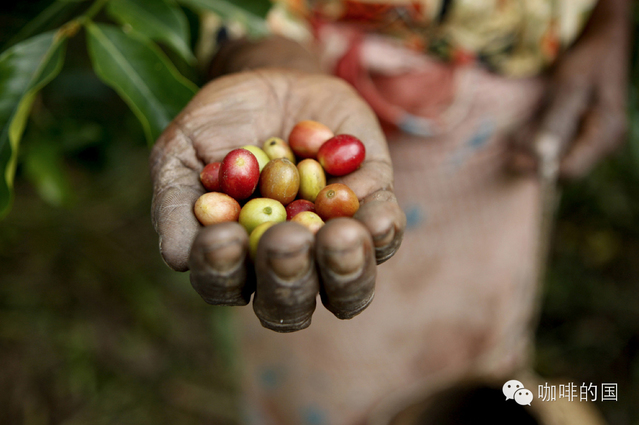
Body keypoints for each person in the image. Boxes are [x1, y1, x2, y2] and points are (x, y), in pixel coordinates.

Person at [149, 0, 629, 423]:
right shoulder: (289, 177)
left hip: (510, 112)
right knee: (324, 364)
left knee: (479, 370)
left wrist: (611, 19)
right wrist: (262, 53)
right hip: (307, 61)